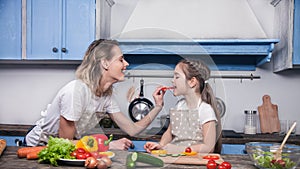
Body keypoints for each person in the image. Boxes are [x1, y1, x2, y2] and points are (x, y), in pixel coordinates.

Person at [25, 39, 165, 150]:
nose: (126, 64)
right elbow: (65, 143)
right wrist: (109, 145)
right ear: (105, 63)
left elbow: (133, 129)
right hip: (37, 148)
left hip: (64, 150)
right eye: (121, 59)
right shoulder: (76, 91)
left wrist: (158, 107)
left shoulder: (106, 97)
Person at [144, 59, 222, 153]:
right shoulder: (180, 106)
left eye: (177, 77)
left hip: (195, 161)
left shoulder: (205, 110)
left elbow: (208, 147)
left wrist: (180, 149)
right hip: (177, 159)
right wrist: (160, 145)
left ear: (192, 82)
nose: (172, 81)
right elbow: (169, 133)